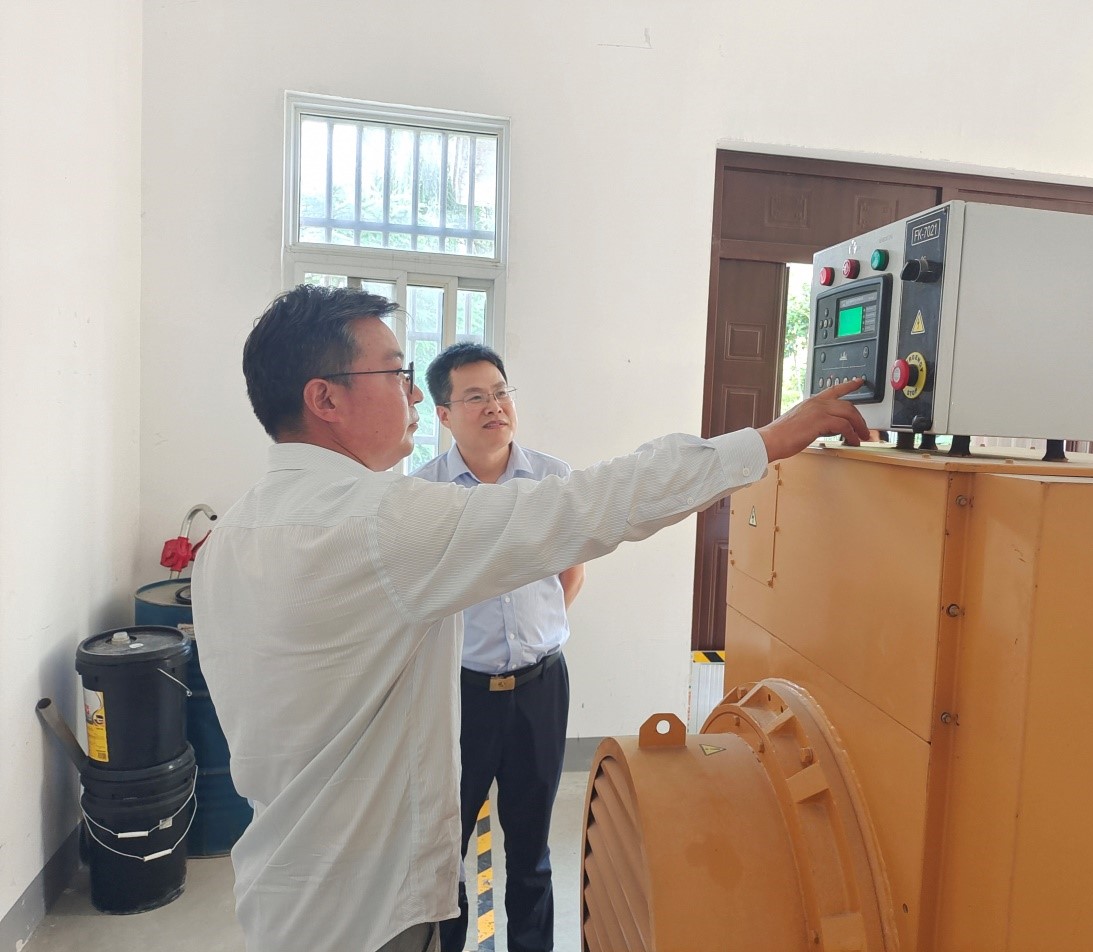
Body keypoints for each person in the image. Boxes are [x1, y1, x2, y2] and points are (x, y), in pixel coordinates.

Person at [191, 284, 870, 952]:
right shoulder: (381, 524)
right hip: (369, 911)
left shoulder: (231, 535)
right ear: (325, 399)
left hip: (286, 889)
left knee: (529, 848)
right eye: (396, 373)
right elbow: (591, 504)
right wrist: (766, 441)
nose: (411, 396)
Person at [413, 342, 583, 952]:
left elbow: (570, 574)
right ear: (443, 414)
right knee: (446, 845)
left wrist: (534, 636)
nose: (495, 406)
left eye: (501, 392)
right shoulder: (423, 494)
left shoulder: (553, 480)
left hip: (541, 688)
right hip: (458, 693)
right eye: (475, 397)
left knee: (532, 846)